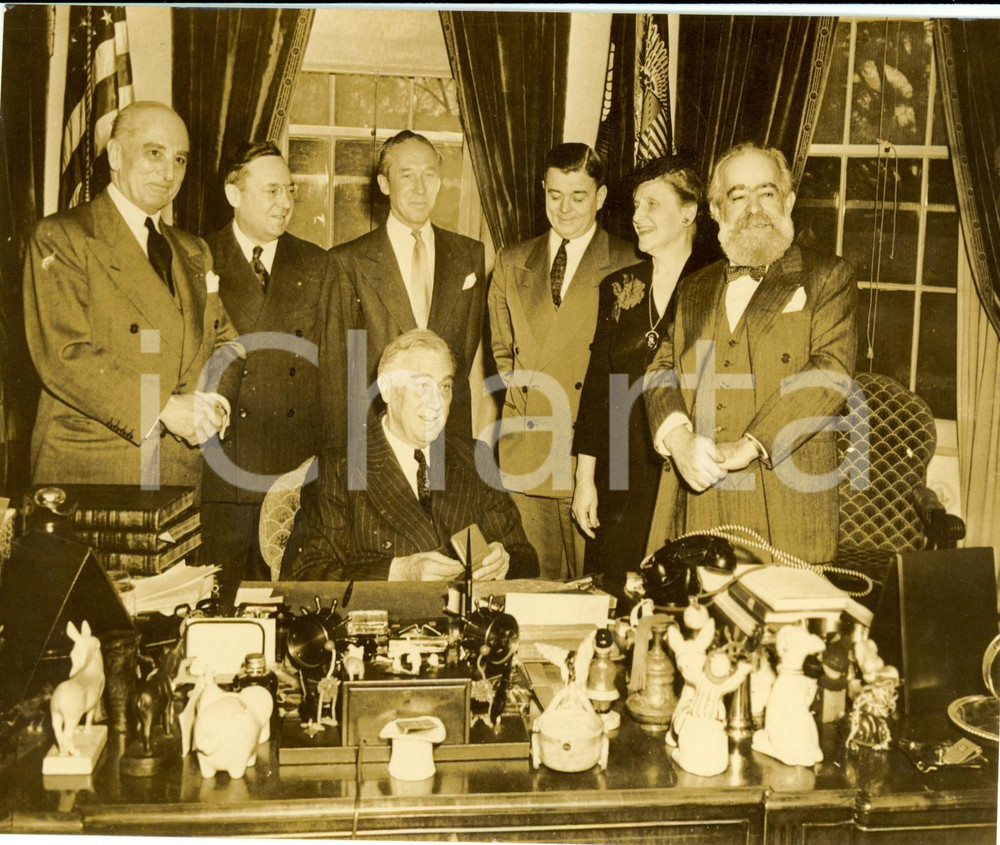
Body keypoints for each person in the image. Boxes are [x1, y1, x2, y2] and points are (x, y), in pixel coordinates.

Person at [644, 142, 858, 563]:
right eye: (738, 195)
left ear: (789, 200)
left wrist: (749, 445)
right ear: (718, 211)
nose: (754, 207)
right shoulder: (694, 288)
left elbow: (829, 374)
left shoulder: (828, 276)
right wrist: (677, 437)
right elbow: (661, 369)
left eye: (767, 192)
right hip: (697, 504)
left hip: (786, 508)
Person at [23, 101, 236, 490]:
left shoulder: (193, 250)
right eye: (154, 153)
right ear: (116, 155)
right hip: (93, 474)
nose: (169, 172)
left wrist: (216, 407)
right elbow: (66, 357)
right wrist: (165, 408)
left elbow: (226, 343)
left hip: (178, 476)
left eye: (180, 159)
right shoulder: (63, 237)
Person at [199, 141, 346, 588]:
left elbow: (336, 374)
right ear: (233, 194)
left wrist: (336, 469)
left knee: (288, 604)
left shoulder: (317, 263)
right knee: (219, 606)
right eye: (272, 191)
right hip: (219, 474)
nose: (286, 203)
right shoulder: (196, 256)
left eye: (290, 190)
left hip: (293, 475)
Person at [281, 329, 538, 582]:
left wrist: (505, 563)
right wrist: (397, 573)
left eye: (445, 386)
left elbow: (524, 556)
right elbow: (304, 574)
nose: (437, 403)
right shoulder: (339, 468)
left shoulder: (474, 456)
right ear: (388, 390)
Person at [489, 143, 637, 580]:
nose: (565, 208)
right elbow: (501, 349)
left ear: (602, 196)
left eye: (578, 196)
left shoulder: (629, 261)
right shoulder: (512, 260)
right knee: (528, 592)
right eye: (555, 195)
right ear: (543, 192)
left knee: (591, 593)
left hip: (592, 460)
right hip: (527, 454)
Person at [571, 157, 718, 596]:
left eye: (652, 205)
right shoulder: (618, 288)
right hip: (618, 468)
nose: (637, 217)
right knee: (615, 594)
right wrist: (584, 480)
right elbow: (599, 387)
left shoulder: (718, 283)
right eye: (636, 205)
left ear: (688, 212)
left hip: (680, 467)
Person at [330, 130, 486, 438]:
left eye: (429, 175)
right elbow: (343, 370)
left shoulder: (470, 255)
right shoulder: (347, 261)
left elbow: (464, 356)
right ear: (385, 184)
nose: (419, 188)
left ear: (439, 182)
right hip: (376, 432)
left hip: (448, 432)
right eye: (406, 175)